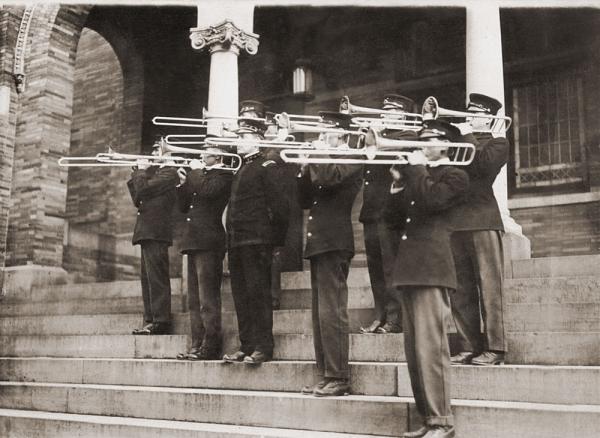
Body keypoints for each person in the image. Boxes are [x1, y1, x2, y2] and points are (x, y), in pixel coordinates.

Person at [388, 120, 468, 438]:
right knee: (414, 351)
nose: (422, 142)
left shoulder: (456, 175)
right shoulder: (418, 176)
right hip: (409, 268)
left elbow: (433, 202)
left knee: (431, 349)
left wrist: (417, 170)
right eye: (421, 138)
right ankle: (427, 418)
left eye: (430, 138)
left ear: (446, 145)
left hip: (433, 267)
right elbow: (393, 220)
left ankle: (442, 421)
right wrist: (395, 187)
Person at [298, 112, 363, 397]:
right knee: (319, 314)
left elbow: (329, 179)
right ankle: (326, 373)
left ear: (340, 133)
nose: (320, 134)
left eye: (326, 130)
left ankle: (339, 376)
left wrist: (319, 153)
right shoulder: (323, 158)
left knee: (332, 310)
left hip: (334, 240)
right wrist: (302, 168)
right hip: (319, 241)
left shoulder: (352, 157)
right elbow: (302, 200)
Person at [446, 93, 509, 366]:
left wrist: (468, 135)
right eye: (469, 112)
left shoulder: (498, 143)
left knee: (489, 287)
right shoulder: (456, 141)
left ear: (489, 117)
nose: (470, 116)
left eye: (477, 113)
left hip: (483, 220)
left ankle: (495, 348)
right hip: (456, 222)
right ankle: (468, 345)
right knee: (461, 290)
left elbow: (482, 167)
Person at [222, 118, 289, 365]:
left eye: (243, 136)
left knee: (258, 293)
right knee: (241, 295)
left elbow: (280, 207)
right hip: (238, 242)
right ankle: (246, 344)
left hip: (258, 240)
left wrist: (273, 241)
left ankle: (263, 346)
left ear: (258, 140)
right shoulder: (241, 168)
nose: (238, 140)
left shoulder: (267, 166)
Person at [359, 94, 416, 334]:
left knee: (391, 265)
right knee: (375, 267)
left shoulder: (407, 137)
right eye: (385, 111)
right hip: (371, 209)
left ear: (403, 115)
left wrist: (377, 136)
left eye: (391, 112)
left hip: (391, 211)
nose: (385, 115)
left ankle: (396, 318)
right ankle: (379, 314)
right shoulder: (378, 137)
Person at [175, 147, 232, 360]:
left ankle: (211, 345)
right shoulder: (200, 176)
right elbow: (183, 207)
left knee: (208, 298)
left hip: (209, 240)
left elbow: (209, 192)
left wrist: (195, 173)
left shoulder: (225, 174)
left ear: (218, 155)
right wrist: (182, 185)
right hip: (193, 239)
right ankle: (196, 343)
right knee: (194, 298)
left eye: (207, 152)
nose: (201, 155)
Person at [128, 138, 179, 335]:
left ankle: (161, 320)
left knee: (156, 277)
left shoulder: (169, 173)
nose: (154, 152)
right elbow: (138, 198)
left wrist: (140, 171)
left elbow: (145, 190)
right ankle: (151, 319)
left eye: (158, 149)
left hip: (157, 231)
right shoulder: (157, 173)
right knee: (147, 278)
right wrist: (136, 172)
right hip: (148, 231)